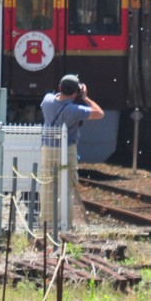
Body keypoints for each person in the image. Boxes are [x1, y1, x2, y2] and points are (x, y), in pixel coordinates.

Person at [39, 74, 104, 230]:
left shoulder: (46, 101)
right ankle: (64, 225)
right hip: (66, 150)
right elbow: (99, 113)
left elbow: (55, 97)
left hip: (48, 150)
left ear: (60, 87)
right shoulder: (74, 110)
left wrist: (71, 92)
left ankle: (46, 224)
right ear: (76, 92)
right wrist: (85, 97)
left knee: (47, 186)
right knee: (65, 188)